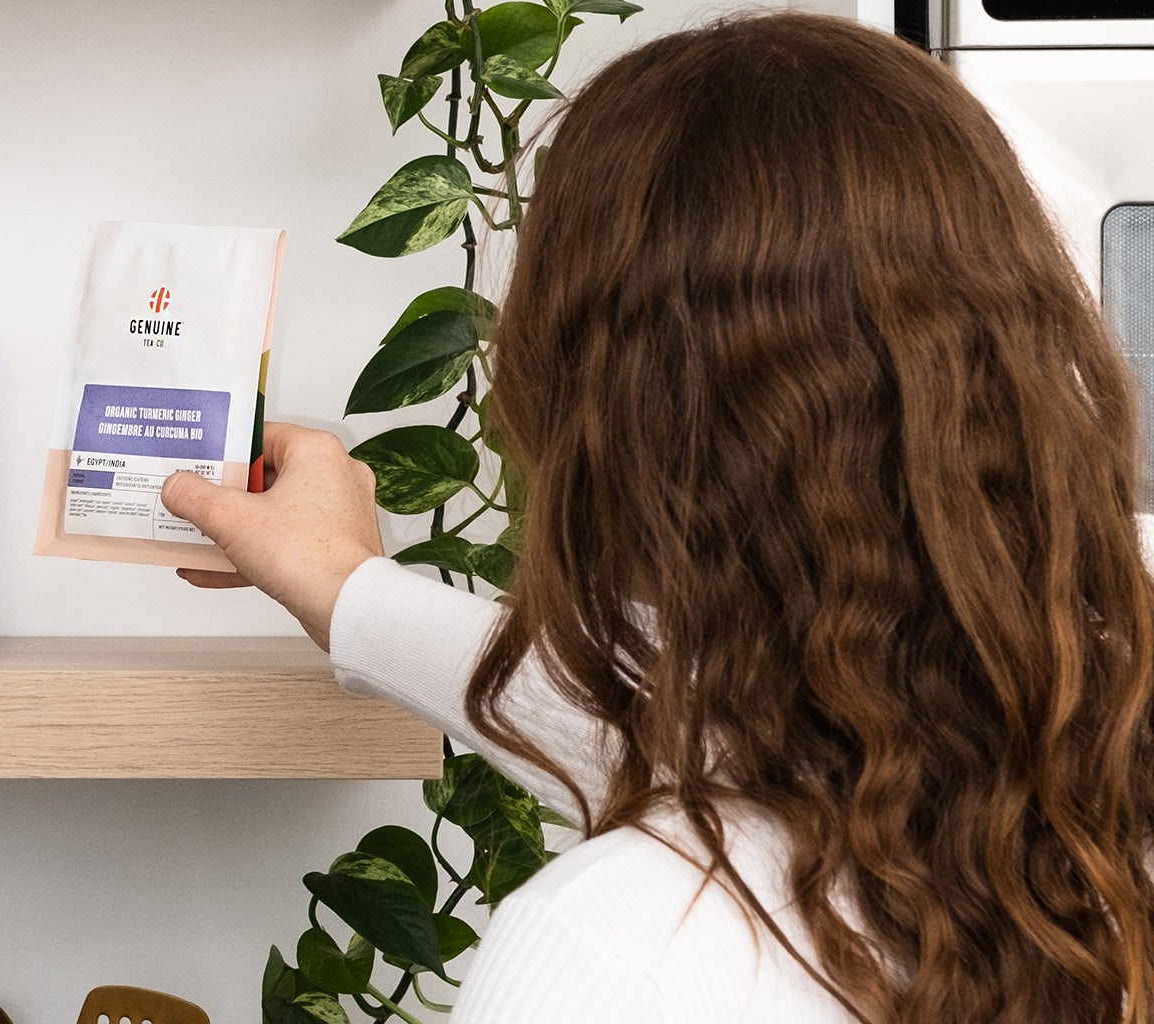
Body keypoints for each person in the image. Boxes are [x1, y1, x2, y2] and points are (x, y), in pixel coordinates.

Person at [160, 13, 1154, 1024]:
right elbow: (695, 727)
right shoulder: (1096, 752)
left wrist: (348, 587)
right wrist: (347, 589)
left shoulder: (614, 950)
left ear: (600, 418)